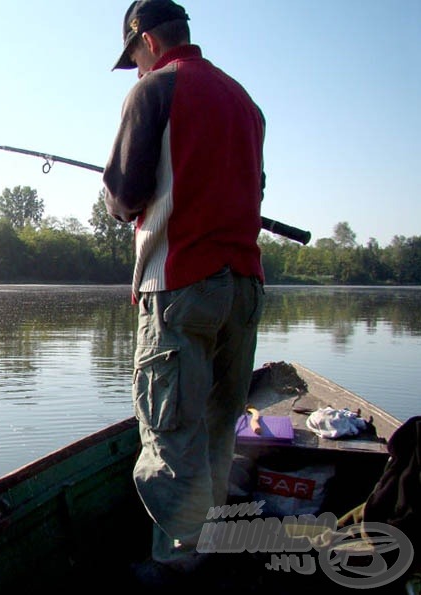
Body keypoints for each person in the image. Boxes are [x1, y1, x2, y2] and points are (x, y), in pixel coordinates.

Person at [103, 0, 266, 587]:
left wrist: (114, 200)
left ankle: (176, 567)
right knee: (219, 428)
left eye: (135, 56)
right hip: (245, 288)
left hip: (180, 286)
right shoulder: (245, 102)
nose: (137, 68)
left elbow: (125, 195)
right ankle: (213, 551)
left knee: (172, 434)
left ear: (146, 39)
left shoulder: (152, 92)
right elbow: (256, 187)